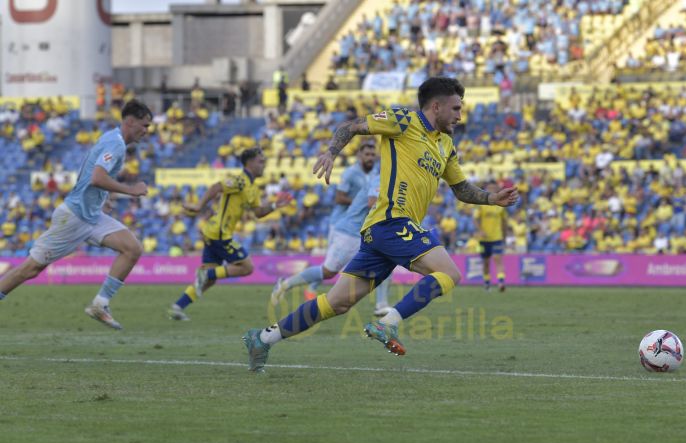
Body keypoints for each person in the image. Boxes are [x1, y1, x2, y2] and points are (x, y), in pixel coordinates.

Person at [242, 77, 519, 372]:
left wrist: (492, 198)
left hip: (386, 233)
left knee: (337, 303)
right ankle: (389, 324)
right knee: (449, 273)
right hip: (390, 221)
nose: (460, 116)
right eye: (455, 108)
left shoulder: (446, 146)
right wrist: (331, 152)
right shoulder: (402, 121)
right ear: (436, 106)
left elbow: (461, 188)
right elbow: (351, 127)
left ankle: (263, 338)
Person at [0, 100, 153, 330]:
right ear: (130, 121)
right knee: (30, 269)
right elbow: (97, 178)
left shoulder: (112, 139)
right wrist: (130, 190)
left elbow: (94, 178)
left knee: (132, 248)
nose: (146, 130)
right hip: (74, 217)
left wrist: (105, 200)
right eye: (145, 125)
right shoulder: (116, 144)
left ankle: (100, 304)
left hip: (92, 216)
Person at [168, 148, 291, 321]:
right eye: (260, 161)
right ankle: (206, 275)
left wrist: (273, 206)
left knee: (209, 279)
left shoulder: (253, 188)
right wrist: (199, 206)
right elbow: (216, 187)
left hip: (214, 233)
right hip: (219, 233)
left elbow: (258, 212)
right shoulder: (239, 180)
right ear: (249, 163)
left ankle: (178, 307)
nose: (263, 165)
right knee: (246, 267)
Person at [271, 153, 392, 316]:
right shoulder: (381, 178)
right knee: (328, 272)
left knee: (387, 260)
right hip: (351, 231)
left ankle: (381, 304)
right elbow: (372, 203)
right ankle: (285, 284)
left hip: (363, 232)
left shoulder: (386, 178)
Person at [473, 180, 508, 292]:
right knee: (486, 262)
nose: (492, 190)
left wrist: (505, 236)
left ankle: (501, 282)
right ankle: (487, 283)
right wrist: (480, 230)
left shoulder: (500, 205)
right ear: (486, 189)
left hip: (497, 237)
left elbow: (504, 222)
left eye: (494, 188)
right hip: (484, 238)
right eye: (490, 188)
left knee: (498, 259)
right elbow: (475, 219)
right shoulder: (481, 204)